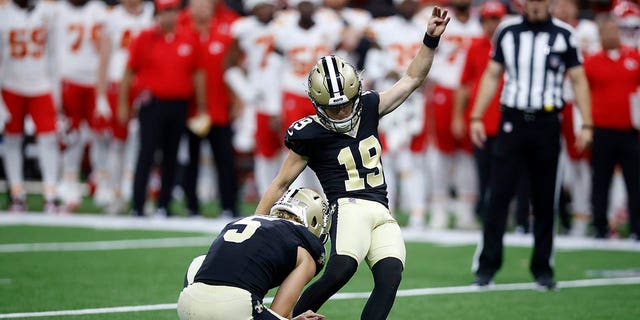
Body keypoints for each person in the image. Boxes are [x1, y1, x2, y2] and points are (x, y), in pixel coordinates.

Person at [256, 7, 450, 319]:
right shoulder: (310, 134)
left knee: (390, 278)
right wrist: (257, 223)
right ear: (317, 103)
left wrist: (430, 39)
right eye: (333, 109)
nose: (342, 113)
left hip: (381, 209)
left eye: (346, 104)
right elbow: (280, 183)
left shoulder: (371, 106)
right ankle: (281, 318)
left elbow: (413, 77)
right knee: (341, 268)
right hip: (347, 206)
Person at [469, 0, 593, 290]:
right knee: (497, 196)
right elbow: (491, 73)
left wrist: (586, 123)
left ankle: (543, 268)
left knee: (544, 198)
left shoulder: (564, 34)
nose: (536, 4)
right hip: (512, 120)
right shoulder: (507, 31)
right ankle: (486, 266)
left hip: (547, 122)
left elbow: (578, 80)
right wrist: (476, 115)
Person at [178, 187, 329, 320]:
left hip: (187, 302)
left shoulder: (243, 221)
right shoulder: (306, 247)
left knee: (200, 260)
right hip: (235, 308)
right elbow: (280, 312)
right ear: (315, 222)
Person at [117, 0, 207, 217]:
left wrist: (202, 106)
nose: (169, 16)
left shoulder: (189, 37)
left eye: (172, 11)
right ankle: (138, 205)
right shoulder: (144, 38)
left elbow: (197, 74)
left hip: (178, 104)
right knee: (146, 154)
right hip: (152, 104)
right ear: (157, 14)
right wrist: (123, 104)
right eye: (164, 11)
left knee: (171, 156)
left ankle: (163, 204)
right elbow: (129, 72)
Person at [418, 0, 483, 230]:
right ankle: (439, 210)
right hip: (444, 88)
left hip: (473, 91)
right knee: (441, 153)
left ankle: (466, 212)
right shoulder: (435, 15)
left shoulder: (481, 20)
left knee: (468, 154)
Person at [179, 0, 240, 218]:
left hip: (219, 109)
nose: (202, 9)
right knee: (191, 160)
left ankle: (229, 206)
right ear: (190, 9)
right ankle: (191, 206)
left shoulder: (224, 35)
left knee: (225, 160)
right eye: (197, 5)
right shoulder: (182, 34)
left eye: (205, 5)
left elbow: (234, 70)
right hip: (192, 111)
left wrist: (236, 101)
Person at [0, 0, 60, 213]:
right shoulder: (3, 13)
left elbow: (55, 52)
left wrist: (57, 90)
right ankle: (17, 193)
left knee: (49, 138)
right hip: (10, 84)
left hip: (41, 83)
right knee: (12, 140)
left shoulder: (49, 11)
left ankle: (51, 194)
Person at [584, 15, 640, 240]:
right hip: (602, 130)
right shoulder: (592, 62)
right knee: (600, 181)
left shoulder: (634, 58)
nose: (611, 35)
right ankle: (599, 226)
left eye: (614, 30)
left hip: (629, 131)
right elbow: (581, 94)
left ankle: (637, 227)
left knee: (634, 181)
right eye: (606, 31)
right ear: (600, 35)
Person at [95, 0, 154, 214]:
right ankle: (114, 192)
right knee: (117, 142)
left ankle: (136, 192)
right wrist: (100, 94)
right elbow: (103, 57)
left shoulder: (151, 14)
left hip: (144, 84)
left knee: (141, 143)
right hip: (117, 83)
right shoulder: (111, 18)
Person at [52, 0, 109, 211]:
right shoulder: (58, 11)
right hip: (69, 79)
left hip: (93, 81)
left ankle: (102, 181)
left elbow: (105, 50)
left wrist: (102, 93)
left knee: (101, 134)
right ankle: (69, 182)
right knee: (70, 135)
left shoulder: (98, 10)